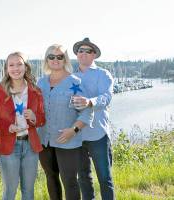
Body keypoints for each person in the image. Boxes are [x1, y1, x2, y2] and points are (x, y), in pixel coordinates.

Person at [37, 44, 93, 200]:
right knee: (51, 177)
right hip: (45, 140)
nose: (56, 60)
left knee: (69, 181)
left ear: (65, 59)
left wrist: (72, 131)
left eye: (60, 56)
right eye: (52, 56)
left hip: (67, 141)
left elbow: (87, 112)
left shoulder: (75, 82)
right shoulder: (41, 83)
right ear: (46, 60)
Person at [0, 52, 45, 200]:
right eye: (11, 65)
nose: (15, 68)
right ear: (6, 69)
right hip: (8, 147)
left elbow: (42, 119)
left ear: (26, 67)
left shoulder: (35, 91)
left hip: (31, 147)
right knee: (10, 192)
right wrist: (8, 127)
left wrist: (34, 118)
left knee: (28, 192)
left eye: (19, 64)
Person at [72, 37, 115, 200]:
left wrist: (90, 102)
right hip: (78, 135)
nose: (82, 53)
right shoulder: (71, 77)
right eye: (80, 51)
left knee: (105, 178)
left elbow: (106, 97)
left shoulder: (103, 74)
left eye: (87, 51)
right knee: (83, 178)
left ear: (94, 54)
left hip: (98, 134)